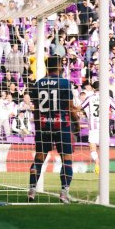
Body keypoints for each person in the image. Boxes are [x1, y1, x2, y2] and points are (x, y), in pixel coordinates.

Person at [28, 56, 80, 204]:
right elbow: (70, 107)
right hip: (62, 126)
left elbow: (36, 109)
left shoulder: (38, 84)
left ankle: (32, 190)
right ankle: (64, 192)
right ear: (58, 66)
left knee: (39, 158)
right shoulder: (64, 83)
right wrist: (76, 122)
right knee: (67, 159)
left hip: (44, 126)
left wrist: (39, 126)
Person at [81, 81, 115, 175]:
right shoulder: (107, 98)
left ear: (93, 89)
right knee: (104, 149)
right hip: (104, 127)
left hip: (93, 127)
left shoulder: (90, 98)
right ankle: (105, 168)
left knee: (93, 148)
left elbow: (81, 107)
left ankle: (97, 162)